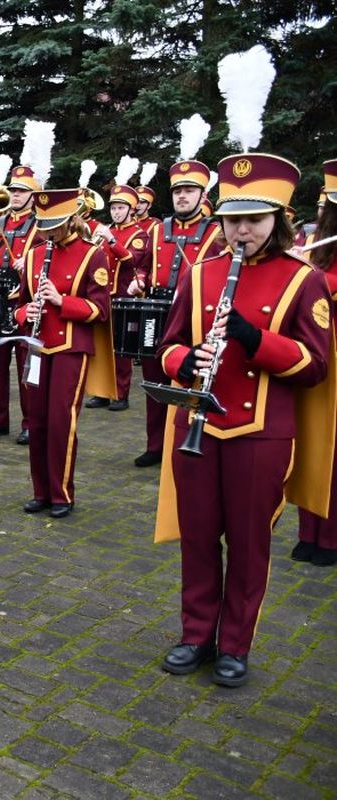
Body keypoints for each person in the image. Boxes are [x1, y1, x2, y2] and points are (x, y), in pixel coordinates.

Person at [155, 152, 333, 687]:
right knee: (198, 537)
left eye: (254, 219)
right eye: (233, 220)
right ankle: (195, 634)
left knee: (249, 543)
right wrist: (187, 360)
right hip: (199, 424)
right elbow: (167, 347)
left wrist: (254, 339)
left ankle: (235, 643)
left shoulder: (304, 279)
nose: (242, 231)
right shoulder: (200, 274)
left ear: (278, 219)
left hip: (261, 433)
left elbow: (316, 366)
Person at [14, 189, 115, 519]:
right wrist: (25, 313)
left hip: (71, 348)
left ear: (71, 220)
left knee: (61, 421)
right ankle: (40, 491)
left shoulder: (92, 255)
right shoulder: (33, 255)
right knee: (36, 420)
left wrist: (61, 301)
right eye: (44, 226)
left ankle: (62, 493)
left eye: (54, 226)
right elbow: (20, 303)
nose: (48, 233)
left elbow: (100, 310)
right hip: (37, 346)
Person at [129, 159, 225, 467]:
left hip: (194, 316)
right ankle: (155, 445)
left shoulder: (217, 232)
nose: (182, 196)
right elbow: (143, 266)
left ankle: (186, 441)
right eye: (177, 191)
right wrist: (139, 280)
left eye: (189, 190)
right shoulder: (158, 230)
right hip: (156, 312)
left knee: (188, 381)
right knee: (155, 383)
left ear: (203, 194)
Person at [0, 165, 41, 444]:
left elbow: (52, 253)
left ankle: (30, 424)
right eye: (13, 190)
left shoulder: (40, 224)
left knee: (26, 366)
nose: (15, 195)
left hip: (25, 302)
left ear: (33, 196)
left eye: (21, 191)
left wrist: (31, 260)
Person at [294, 158, 337, 567]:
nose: (321, 212)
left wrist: (306, 276)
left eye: (327, 207)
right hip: (315, 352)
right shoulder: (314, 245)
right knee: (309, 440)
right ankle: (308, 531)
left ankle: (331, 536)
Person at [82, 185, 151, 411]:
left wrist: (112, 241)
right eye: (113, 208)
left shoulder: (139, 234)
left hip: (122, 297)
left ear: (131, 210)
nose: (116, 212)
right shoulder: (105, 231)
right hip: (100, 296)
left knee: (120, 349)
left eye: (121, 208)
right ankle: (101, 392)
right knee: (100, 347)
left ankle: (121, 394)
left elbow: (132, 261)